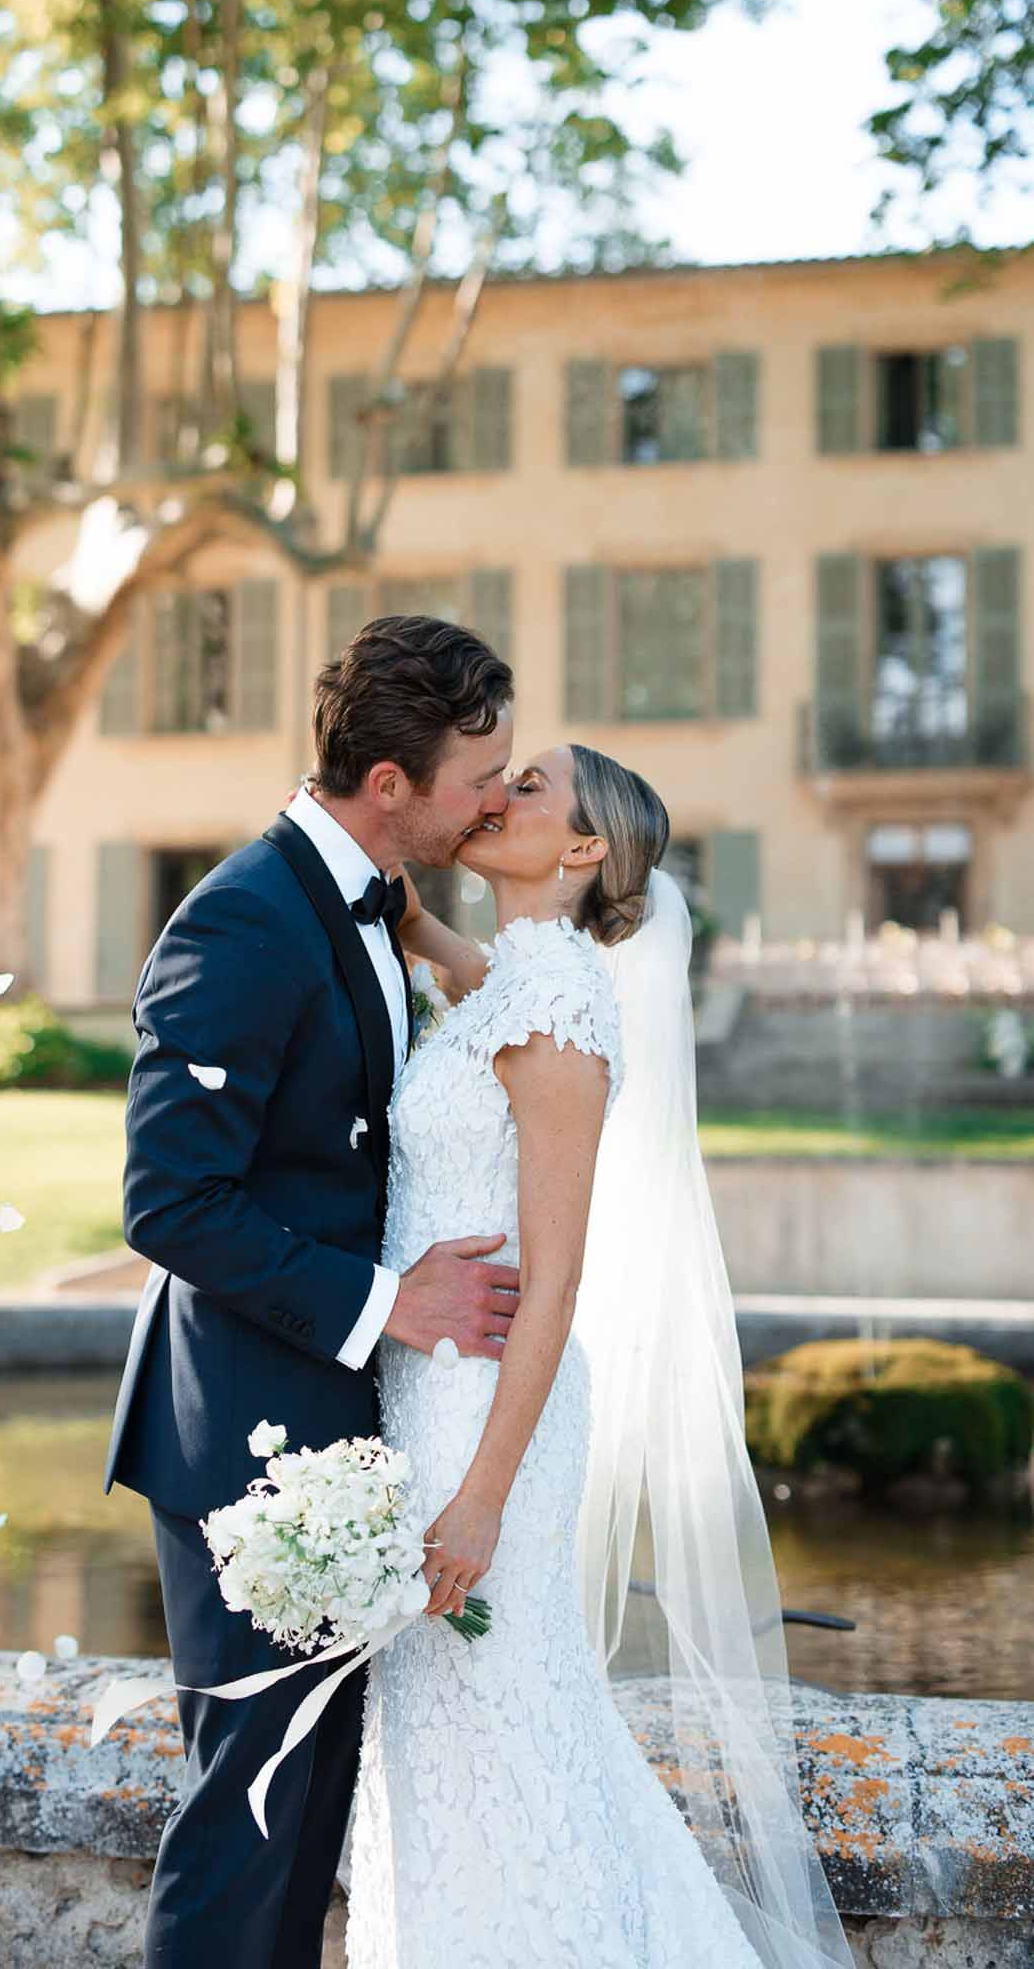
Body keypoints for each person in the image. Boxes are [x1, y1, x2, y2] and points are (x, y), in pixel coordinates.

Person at [346, 742, 855, 1969]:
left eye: (529, 787)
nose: (497, 793)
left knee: (503, 1715)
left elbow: (559, 1280)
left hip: (487, 1421)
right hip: (426, 1391)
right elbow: (488, 987)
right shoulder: (525, 976)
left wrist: (480, 1499)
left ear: (580, 850)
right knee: (447, 1725)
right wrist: (405, 910)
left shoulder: (565, 1009)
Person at [104, 614, 523, 1969]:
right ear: (389, 783)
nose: (493, 799)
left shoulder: (365, 906)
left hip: (333, 1436)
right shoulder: (241, 915)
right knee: (248, 1827)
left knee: (301, 1819)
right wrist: (385, 1305)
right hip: (250, 1445)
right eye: (476, 773)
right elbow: (170, 1202)